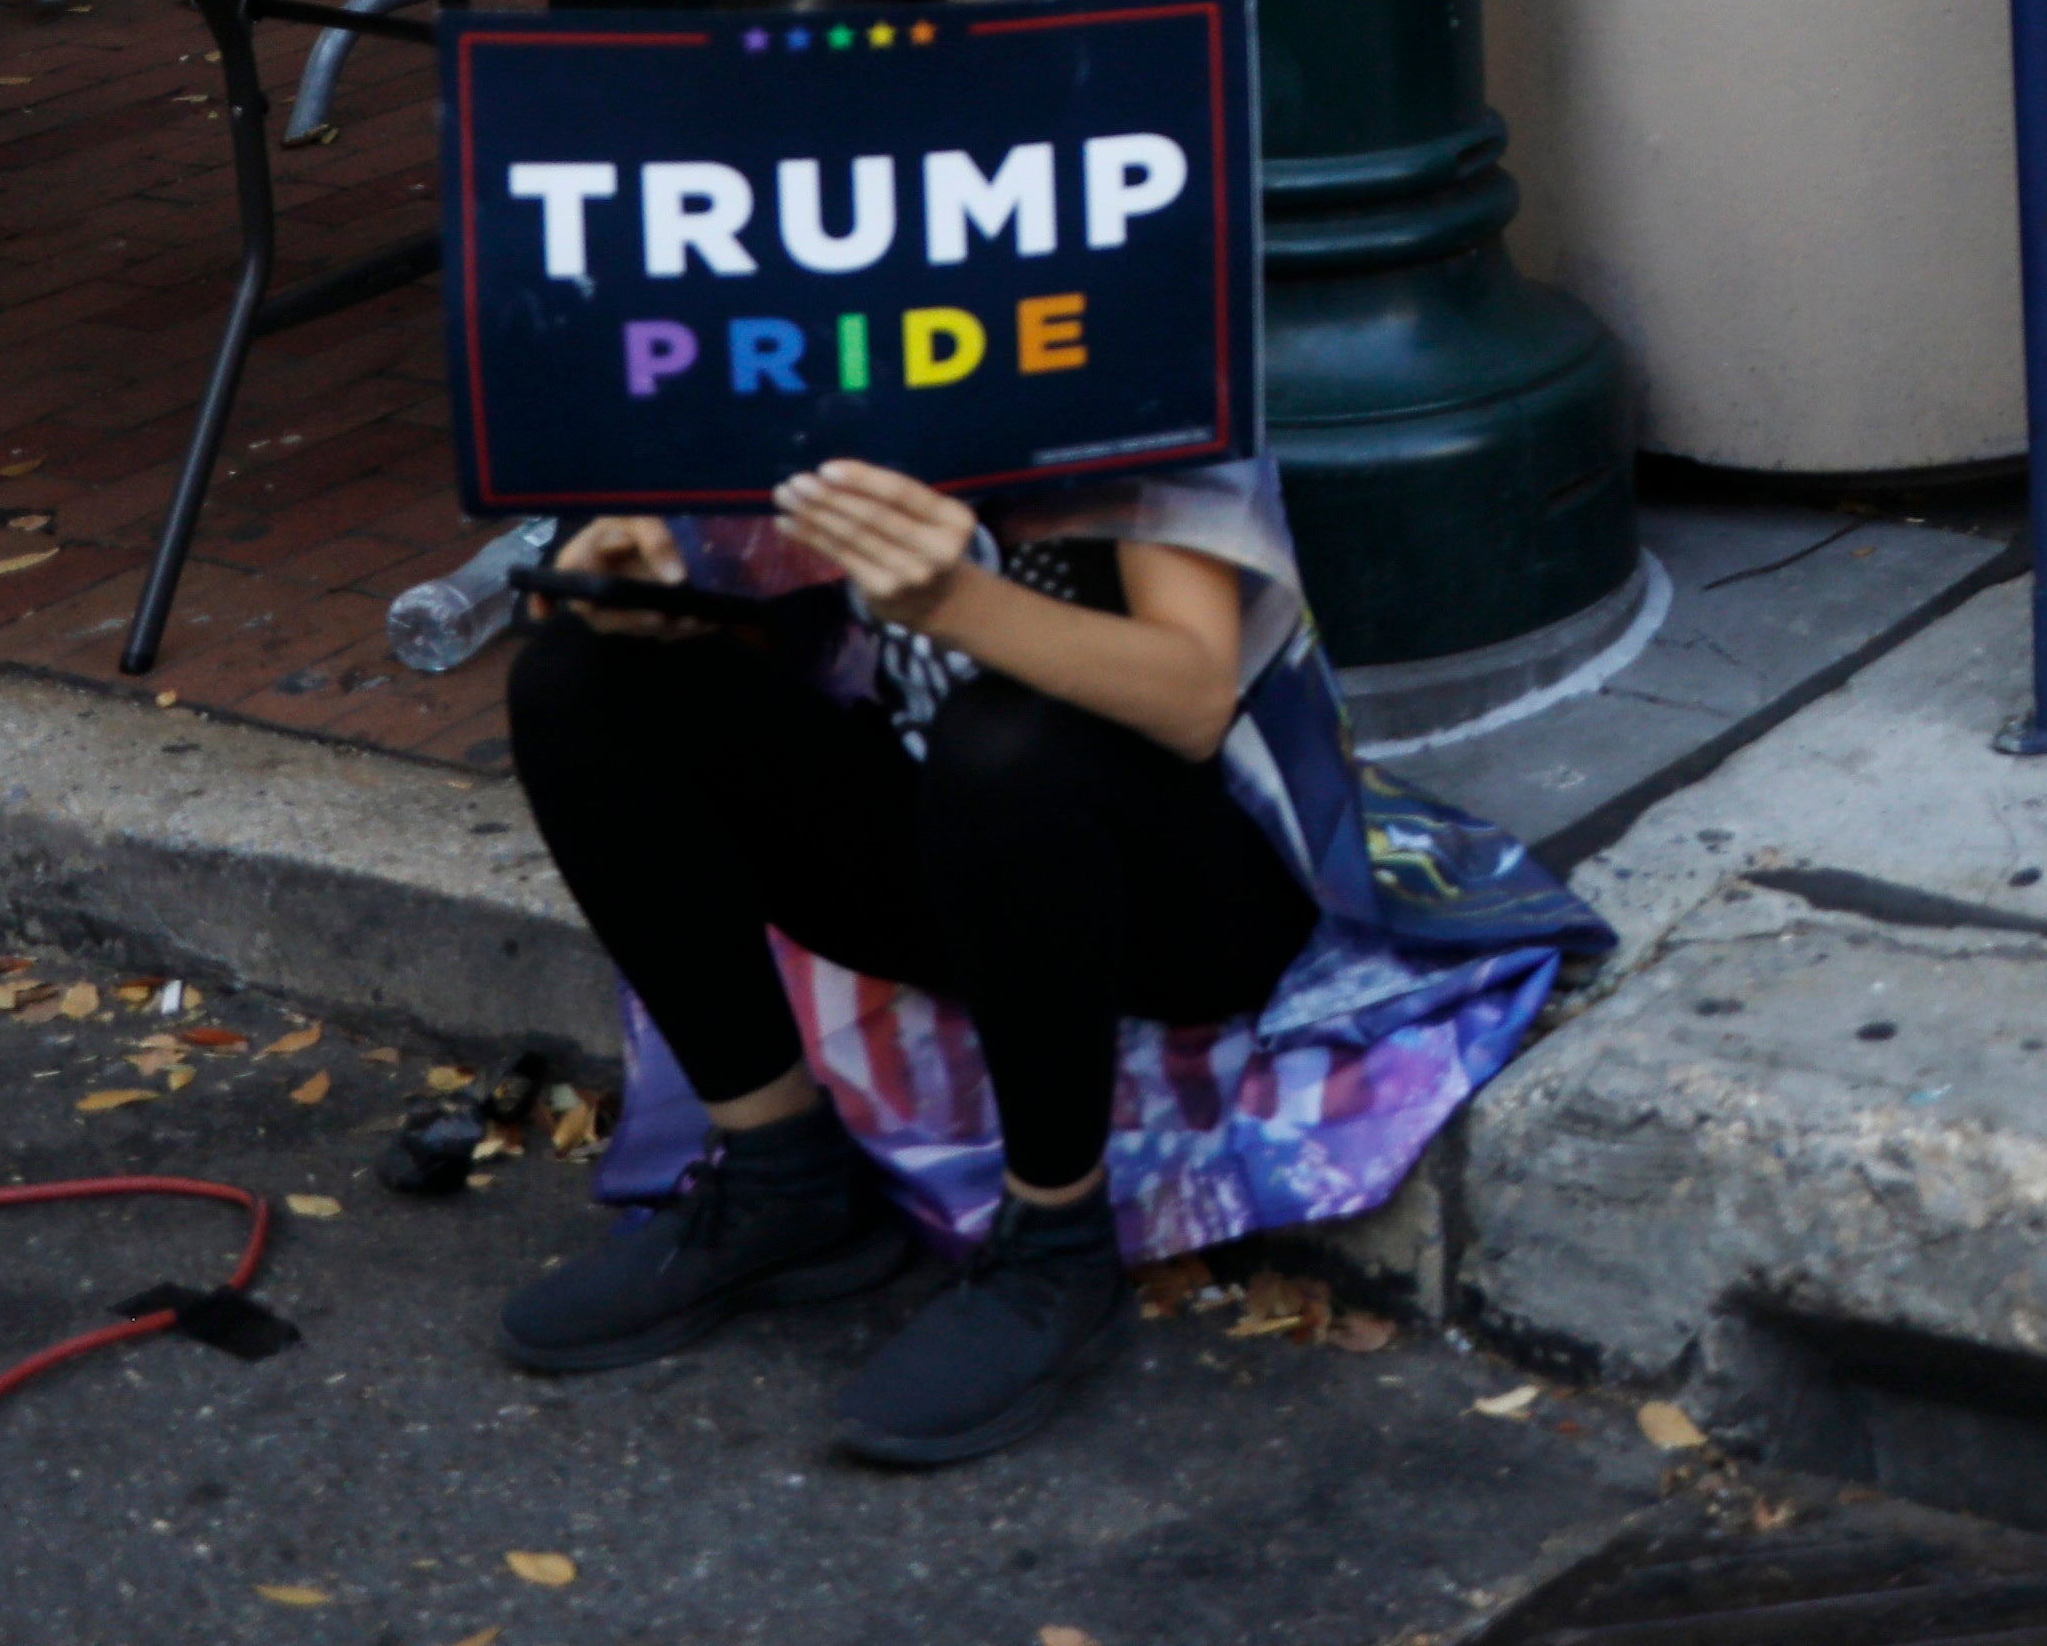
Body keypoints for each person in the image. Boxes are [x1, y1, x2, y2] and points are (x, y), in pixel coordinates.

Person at [489, 451, 1597, 1465]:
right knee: (573, 679)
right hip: (945, 858)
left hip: (1186, 889)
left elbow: (1195, 696)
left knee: (1007, 743)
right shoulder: (802, 311)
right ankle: (783, 1180)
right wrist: (627, 583)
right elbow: (731, 619)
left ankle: (1053, 1243)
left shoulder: (1122, 297)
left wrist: (958, 602)